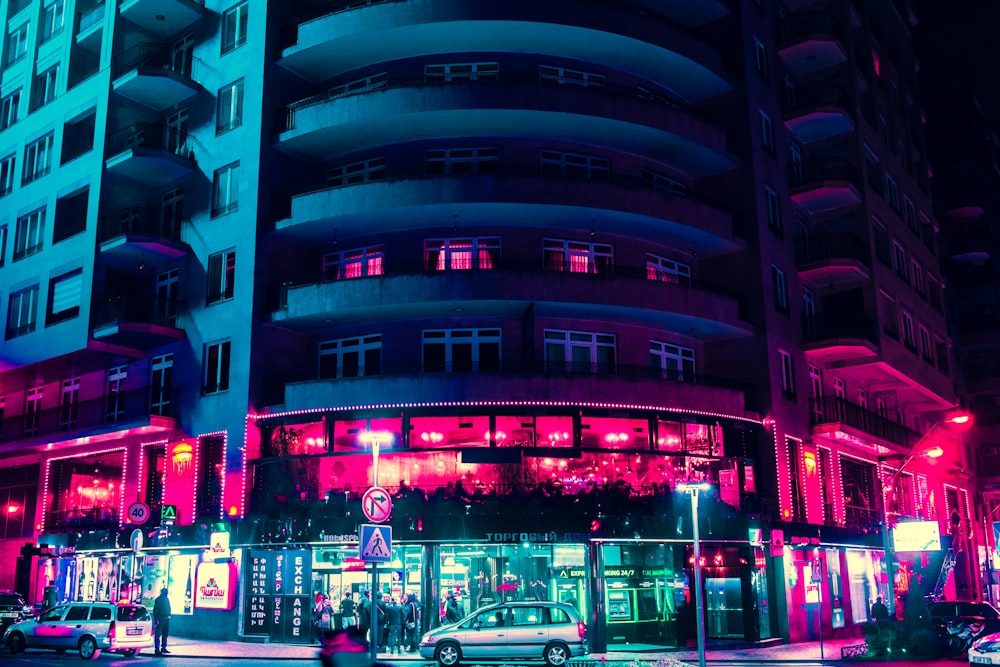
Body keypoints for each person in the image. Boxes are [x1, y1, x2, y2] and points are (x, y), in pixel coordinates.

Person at [153, 587, 171, 656]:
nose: (167, 593)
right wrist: (156, 619)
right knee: (158, 634)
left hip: (166, 618)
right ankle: (157, 649)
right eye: (166, 592)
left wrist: (169, 615)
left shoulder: (166, 599)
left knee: (165, 634)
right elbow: (156, 610)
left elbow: (168, 607)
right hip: (160, 619)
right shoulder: (158, 599)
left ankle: (163, 647)